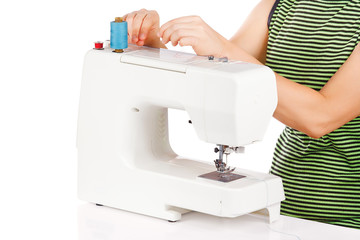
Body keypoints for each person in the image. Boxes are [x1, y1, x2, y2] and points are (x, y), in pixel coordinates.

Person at [123, 0, 360, 229]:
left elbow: (321, 118)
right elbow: (216, 84)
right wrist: (151, 45)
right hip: (284, 205)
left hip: (349, 220)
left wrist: (222, 47)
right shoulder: (279, 6)